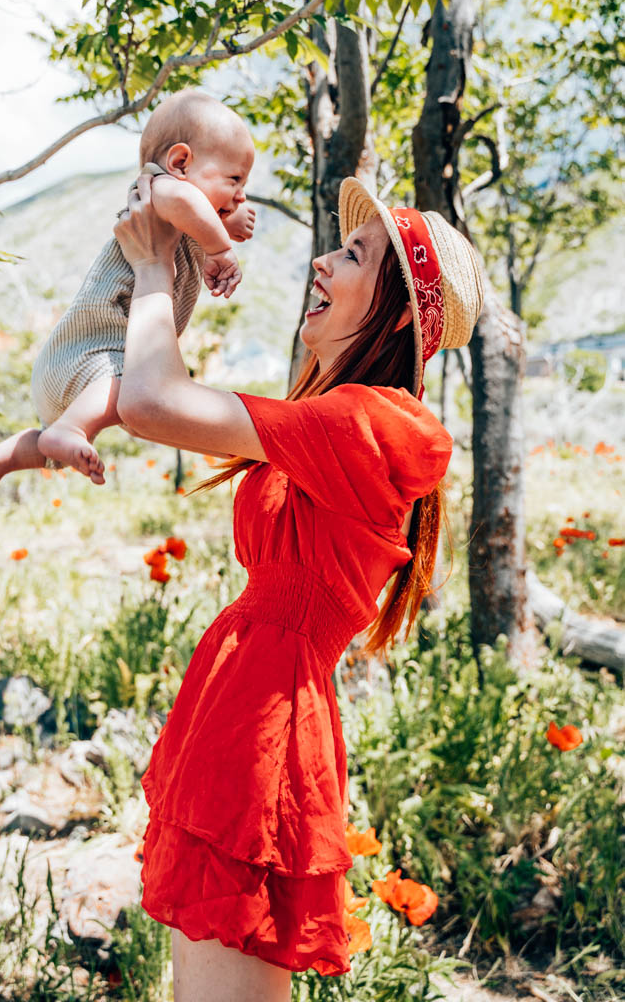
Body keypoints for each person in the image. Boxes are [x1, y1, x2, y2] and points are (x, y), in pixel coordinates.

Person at [112, 168, 484, 1002]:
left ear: (392, 310)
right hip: (241, 708)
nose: (321, 262)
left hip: (264, 727)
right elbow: (138, 394)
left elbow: (150, 399)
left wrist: (148, 267)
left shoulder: (375, 422)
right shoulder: (335, 418)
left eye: (351, 254)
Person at [0, 89, 256, 505]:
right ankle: (68, 430)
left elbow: (197, 211)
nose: (241, 194)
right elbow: (188, 202)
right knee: (126, 390)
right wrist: (221, 246)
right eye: (234, 180)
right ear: (180, 163)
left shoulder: (181, 210)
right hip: (92, 351)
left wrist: (226, 221)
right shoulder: (162, 188)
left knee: (81, 429)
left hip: (83, 369)